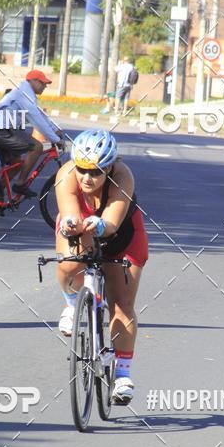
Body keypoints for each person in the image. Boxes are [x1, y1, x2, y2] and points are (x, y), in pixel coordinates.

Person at [54, 129, 148, 405]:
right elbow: (70, 211)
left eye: (95, 172)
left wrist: (101, 225)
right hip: (81, 226)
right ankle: (72, 303)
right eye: (82, 170)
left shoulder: (123, 176)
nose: (87, 178)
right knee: (69, 263)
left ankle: (122, 373)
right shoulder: (66, 175)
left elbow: (112, 222)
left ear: (108, 167)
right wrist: (72, 224)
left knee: (121, 304)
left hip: (122, 234)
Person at [0, 69, 62, 196]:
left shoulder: (26, 94)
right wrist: (56, 139)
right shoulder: (24, 95)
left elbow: (40, 114)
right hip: (0, 129)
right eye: (43, 83)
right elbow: (37, 120)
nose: (45, 86)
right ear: (33, 81)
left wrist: (56, 129)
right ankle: (20, 184)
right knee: (37, 147)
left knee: (17, 165)